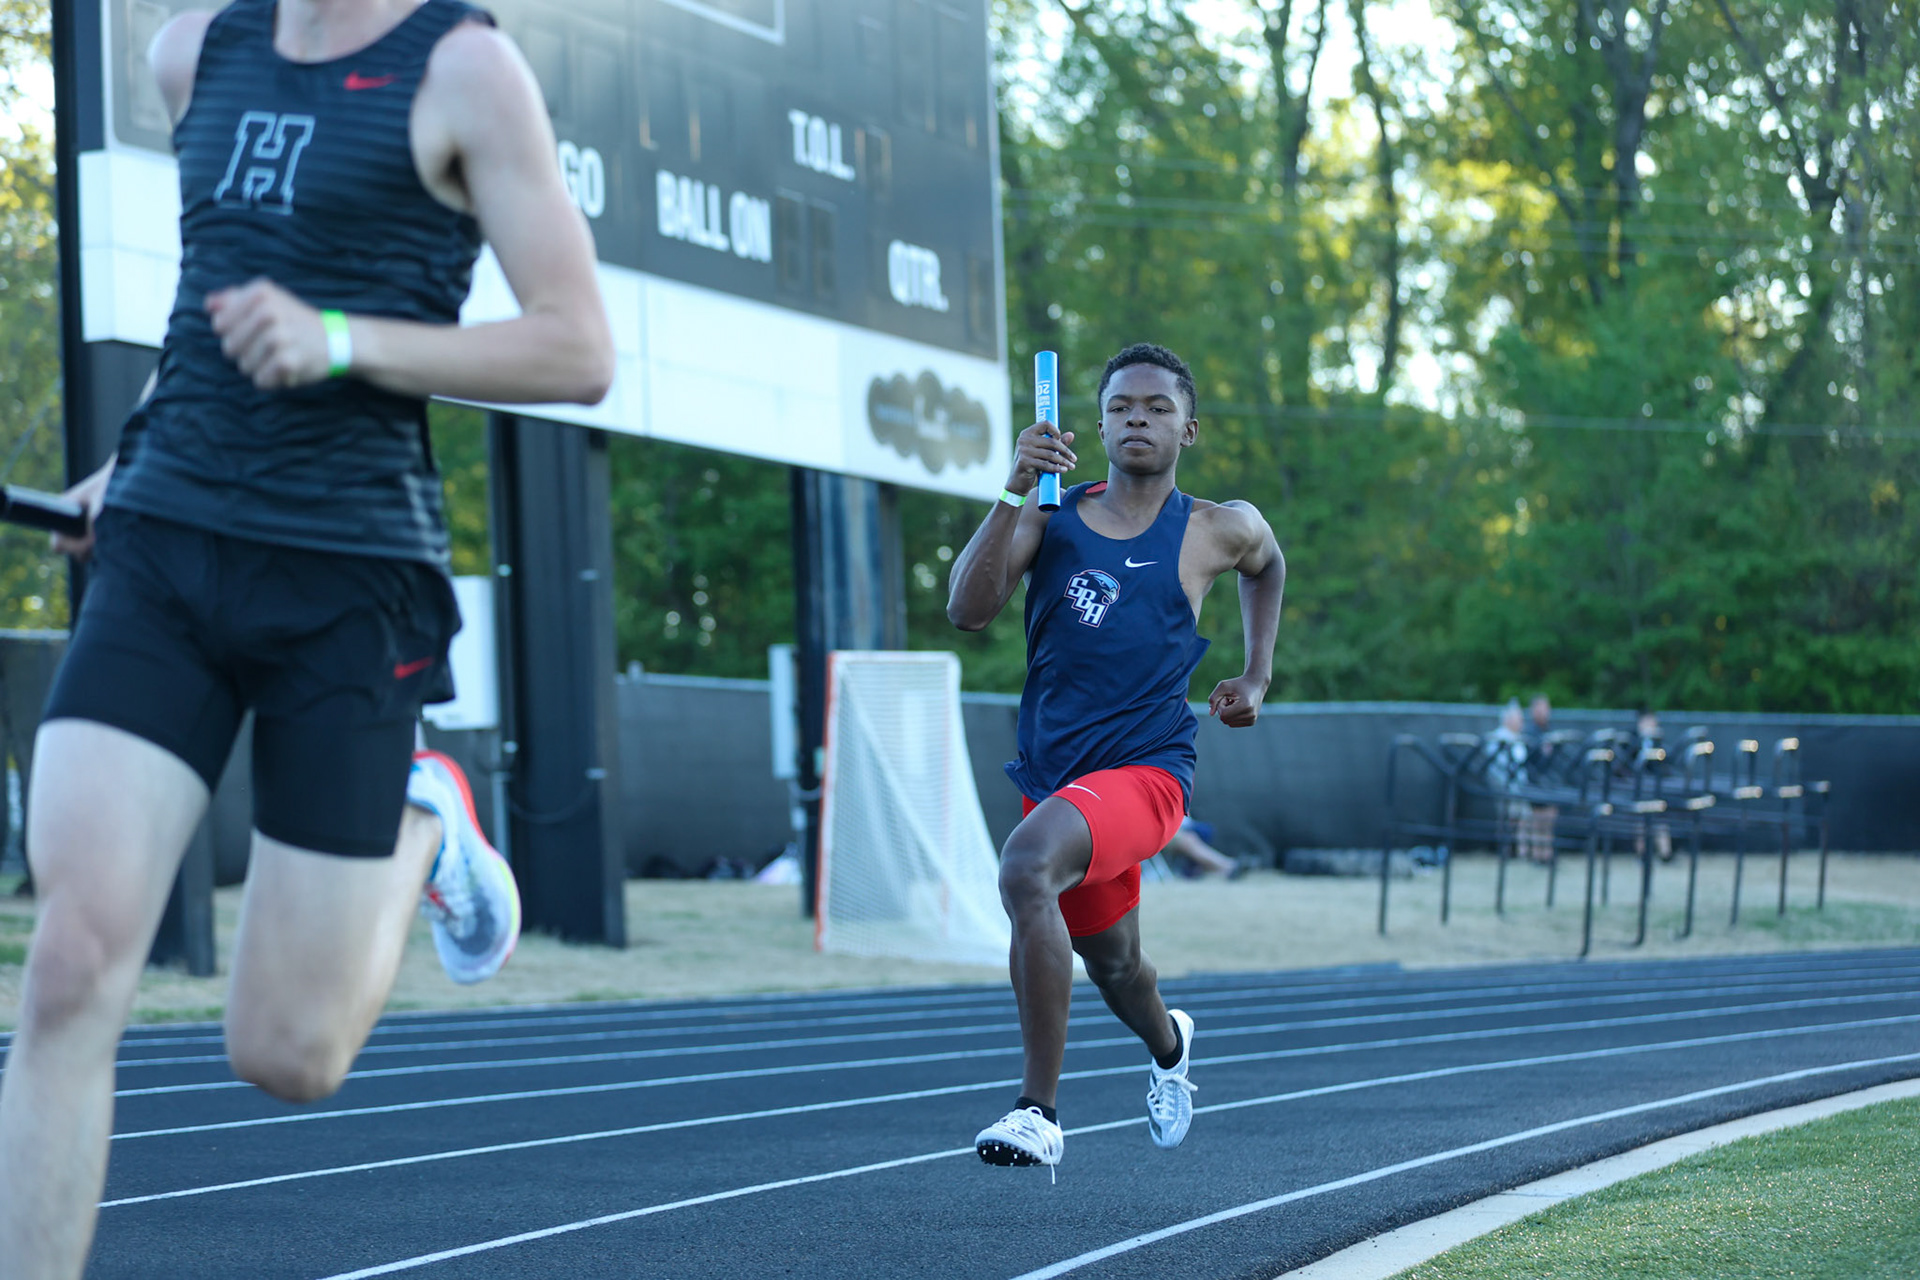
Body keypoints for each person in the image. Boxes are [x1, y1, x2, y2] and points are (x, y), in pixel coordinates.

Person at [0, 2, 613, 1275]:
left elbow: (577, 345)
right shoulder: (194, 53)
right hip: (165, 547)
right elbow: (210, 301)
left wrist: (340, 341)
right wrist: (130, 459)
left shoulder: (466, 69)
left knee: (287, 1050)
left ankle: (426, 822)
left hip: (348, 577)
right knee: (68, 966)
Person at [946, 342, 1284, 1170]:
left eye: (1159, 407)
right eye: (1122, 407)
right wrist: (1012, 487)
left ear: (1188, 429)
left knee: (1025, 868)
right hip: (1057, 775)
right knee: (1117, 965)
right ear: (1096, 427)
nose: (1139, 418)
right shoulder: (1049, 515)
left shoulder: (1216, 527)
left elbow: (1267, 563)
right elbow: (967, 610)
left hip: (1147, 772)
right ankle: (1171, 1045)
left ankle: (1037, 1112)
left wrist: (1256, 674)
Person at [1486, 700, 1533, 860]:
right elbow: (1496, 767)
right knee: (1507, 819)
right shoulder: (1497, 738)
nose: (1522, 722)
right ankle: (1505, 850)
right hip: (1505, 787)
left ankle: (1521, 852)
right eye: (1519, 719)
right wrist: (1508, 785)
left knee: (1524, 817)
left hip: (1520, 787)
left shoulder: (1519, 739)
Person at [1522, 693, 1559, 863]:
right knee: (1538, 819)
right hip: (1534, 781)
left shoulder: (1548, 730)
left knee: (1550, 818)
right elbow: (1529, 760)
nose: (1545, 711)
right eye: (1542, 708)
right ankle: (1538, 854)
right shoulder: (1530, 732)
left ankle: (1547, 854)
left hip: (1548, 781)